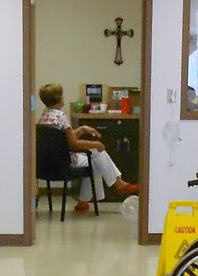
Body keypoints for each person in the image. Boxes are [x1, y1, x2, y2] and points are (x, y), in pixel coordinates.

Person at [35, 83, 138, 213]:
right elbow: (74, 144)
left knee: (95, 162)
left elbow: (63, 140)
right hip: (65, 162)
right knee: (97, 155)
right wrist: (96, 144)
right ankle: (117, 184)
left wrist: (82, 129)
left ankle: (85, 202)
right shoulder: (61, 116)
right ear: (60, 98)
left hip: (48, 164)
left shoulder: (44, 116)